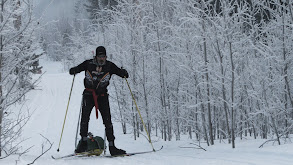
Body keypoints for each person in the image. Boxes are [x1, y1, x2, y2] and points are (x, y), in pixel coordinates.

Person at [69, 46, 129, 156]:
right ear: (96, 56)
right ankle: (83, 143)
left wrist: (124, 73)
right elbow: (77, 69)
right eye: (100, 56)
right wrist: (73, 70)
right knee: (84, 118)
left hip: (102, 96)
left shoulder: (109, 65)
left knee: (108, 121)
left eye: (104, 56)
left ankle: (112, 146)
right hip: (88, 94)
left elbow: (121, 73)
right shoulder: (88, 63)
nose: (102, 59)